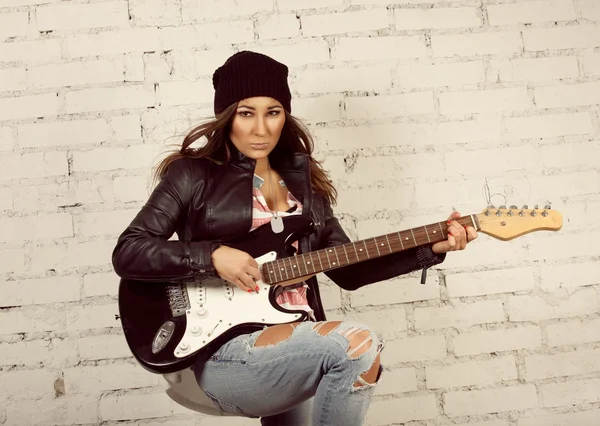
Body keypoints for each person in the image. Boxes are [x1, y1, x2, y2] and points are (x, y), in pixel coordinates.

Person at [112, 51, 477, 426]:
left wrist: (430, 248)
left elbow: (347, 270)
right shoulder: (192, 176)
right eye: (246, 113)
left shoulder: (303, 187)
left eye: (272, 112)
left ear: (285, 115)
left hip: (297, 336)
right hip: (222, 348)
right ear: (227, 116)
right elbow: (129, 251)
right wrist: (212, 256)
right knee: (356, 345)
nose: (261, 129)